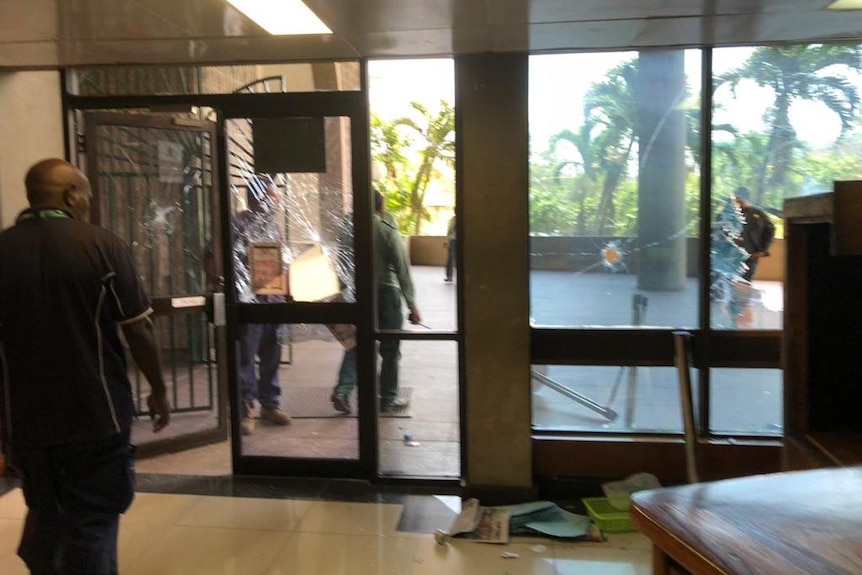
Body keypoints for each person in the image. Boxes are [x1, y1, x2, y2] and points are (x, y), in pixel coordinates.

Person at [0, 158, 171, 574]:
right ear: (71, 194)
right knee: (93, 520)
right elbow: (138, 330)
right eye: (87, 192)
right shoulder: (101, 245)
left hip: (26, 420)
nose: (90, 200)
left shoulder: (3, 248)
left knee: (44, 508)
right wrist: (158, 388)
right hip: (96, 414)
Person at [331, 190, 421, 414]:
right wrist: (412, 304)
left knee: (357, 344)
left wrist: (340, 295)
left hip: (358, 294)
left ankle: (343, 390)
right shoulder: (386, 230)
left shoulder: (346, 231)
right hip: (386, 294)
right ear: (380, 207)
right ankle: (387, 398)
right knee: (390, 347)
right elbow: (402, 268)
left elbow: (340, 266)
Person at [228, 177, 292, 435]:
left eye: (275, 195)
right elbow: (215, 255)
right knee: (246, 357)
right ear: (257, 197)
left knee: (271, 356)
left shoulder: (273, 226)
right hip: (249, 301)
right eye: (271, 194)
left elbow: (281, 260)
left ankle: (270, 404)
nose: (276, 199)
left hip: (273, 301)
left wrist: (287, 291)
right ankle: (246, 409)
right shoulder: (237, 223)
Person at [733, 187, 776, 282]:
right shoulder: (734, 214)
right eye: (735, 197)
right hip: (733, 253)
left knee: (744, 283)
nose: (735, 200)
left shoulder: (757, 213)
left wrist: (763, 249)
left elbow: (770, 229)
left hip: (751, 254)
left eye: (737, 197)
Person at [444, 214, 456, 282]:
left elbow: (449, 230)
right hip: (453, 240)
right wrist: (447, 240)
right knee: (451, 258)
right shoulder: (453, 219)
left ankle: (449, 276)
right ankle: (449, 276)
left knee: (451, 258)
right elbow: (449, 230)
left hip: (453, 240)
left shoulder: (453, 219)